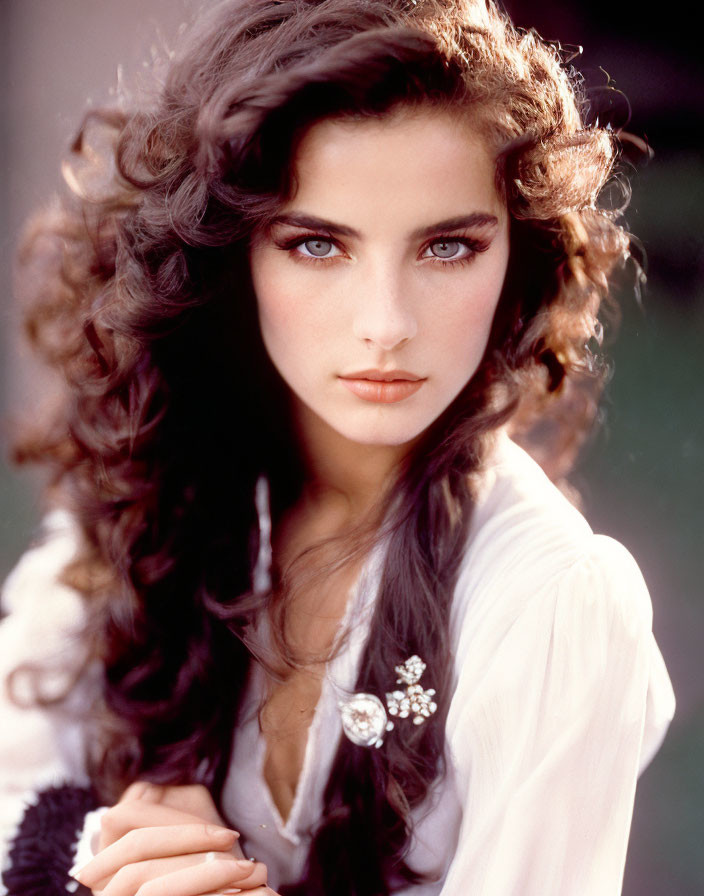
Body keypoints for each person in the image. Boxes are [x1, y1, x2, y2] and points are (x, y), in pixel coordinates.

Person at [0, 0, 676, 894]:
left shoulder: (552, 606)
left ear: (515, 252)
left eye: (447, 247)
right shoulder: (160, 485)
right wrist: (101, 853)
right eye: (317, 244)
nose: (385, 327)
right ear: (232, 252)